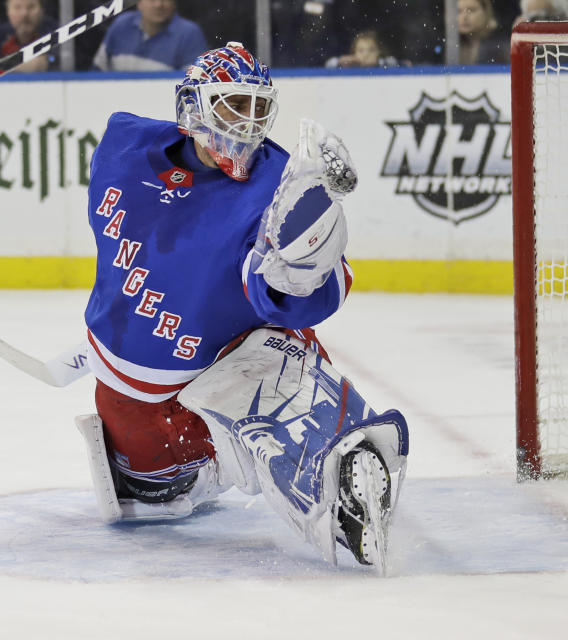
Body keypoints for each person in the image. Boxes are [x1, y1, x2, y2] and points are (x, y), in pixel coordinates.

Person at [77, 41, 408, 569]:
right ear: (193, 106)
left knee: (273, 364)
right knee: (155, 491)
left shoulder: (277, 190)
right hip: (131, 386)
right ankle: (208, 461)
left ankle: (336, 475)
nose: (247, 123)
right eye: (233, 104)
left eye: (258, 107)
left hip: (233, 358)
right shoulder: (124, 145)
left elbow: (292, 298)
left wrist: (298, 269)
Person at [92, 0, 207, 71]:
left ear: (174, 3)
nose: (158, 4)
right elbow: (97, 72)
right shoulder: (121, 25)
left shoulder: (189, 33)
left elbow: (193, 85)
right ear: (139, 3)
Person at [0, 0, 57, 72]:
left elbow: (60, 59)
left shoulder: (54, 32)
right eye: (17, 7)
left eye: (31, 7)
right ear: (8, 11)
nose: (24, 14)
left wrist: (49, 61)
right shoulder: (2, 34)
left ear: (42, 10)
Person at [324, 30, 403, 68]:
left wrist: (378, 62)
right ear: (354, 52)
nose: (366, 54)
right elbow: (328, 64)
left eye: (371, 50)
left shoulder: (385, 64)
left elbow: (395, 62)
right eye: (361, 51)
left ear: (379, 51)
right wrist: (340, 61)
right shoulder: (350, 66)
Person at [458, 0, 504, 64]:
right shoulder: (449, 47)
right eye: (459, 11)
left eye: (471, 10)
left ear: (486, 12)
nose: (464, 17)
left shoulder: (500, 46)